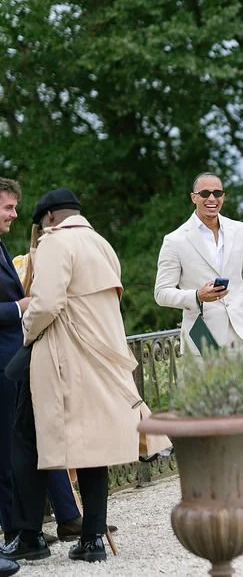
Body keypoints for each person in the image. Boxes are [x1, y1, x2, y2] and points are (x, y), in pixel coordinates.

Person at [4, 189, 169, 564]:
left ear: (47, 218)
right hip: (101, 359)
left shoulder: (54, 243)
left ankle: (29, 536)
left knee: (27, 443)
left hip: (60, 359)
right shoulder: (101, 244)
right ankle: (92, 539)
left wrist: (27, 330)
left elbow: (45, 303)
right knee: (94, 447)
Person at [154, 173, 243, 500]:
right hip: (202, 333)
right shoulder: (175, 240)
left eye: (217, 192)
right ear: (193, 196)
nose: (212, 198)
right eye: (205, 192)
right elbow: (161, 293)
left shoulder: (241, 230)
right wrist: (195, 296)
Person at [0, 180, 84, 552]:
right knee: (8, 451)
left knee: (43, 436)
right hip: (3, 366)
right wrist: (20, 307)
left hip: (20, 359)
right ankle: (17, 531)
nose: (15, 214)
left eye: (16, 207)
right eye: (8, 207)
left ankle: (67, 518)